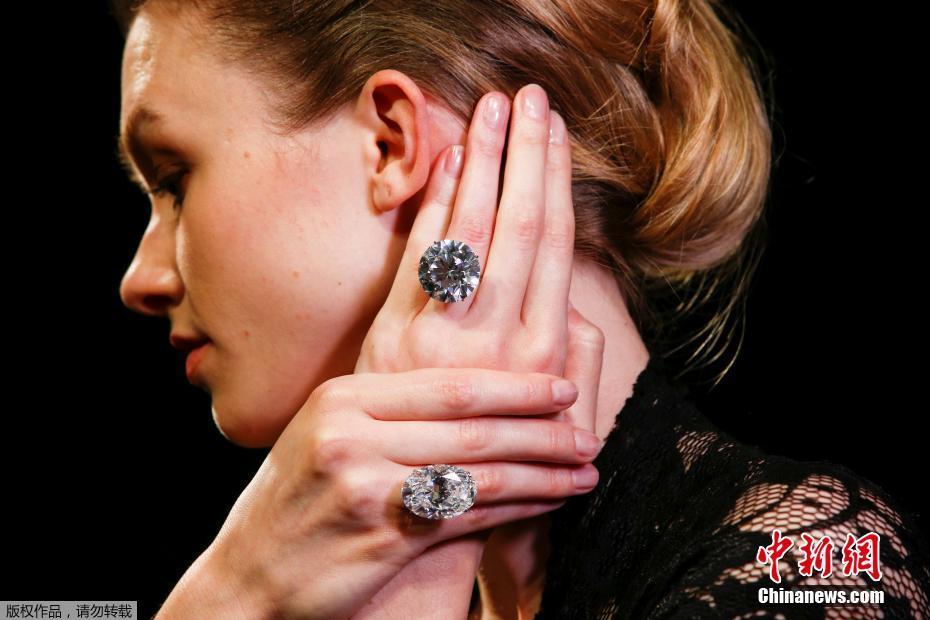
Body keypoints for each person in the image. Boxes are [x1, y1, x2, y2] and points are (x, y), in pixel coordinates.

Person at [110, 0, 930, 618]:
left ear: (390, 141)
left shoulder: (816, 560)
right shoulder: (285, 575)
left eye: (174, 179)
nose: (139, 278)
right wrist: (232, 588)